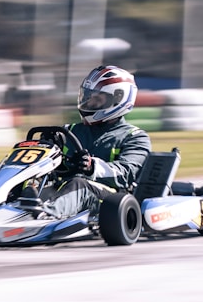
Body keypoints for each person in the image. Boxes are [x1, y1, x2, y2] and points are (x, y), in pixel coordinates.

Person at [32, 64, 152, 218]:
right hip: (65, 190)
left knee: (79, 184)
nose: (89, 103)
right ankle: (8, 207)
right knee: (31, 180)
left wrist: (92, 167)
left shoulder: (134, 137)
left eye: (97, 99)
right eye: (87, 97)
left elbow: (126, 173)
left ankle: (45, 217)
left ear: (118, 99)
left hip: (111, 200)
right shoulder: (69, 131)